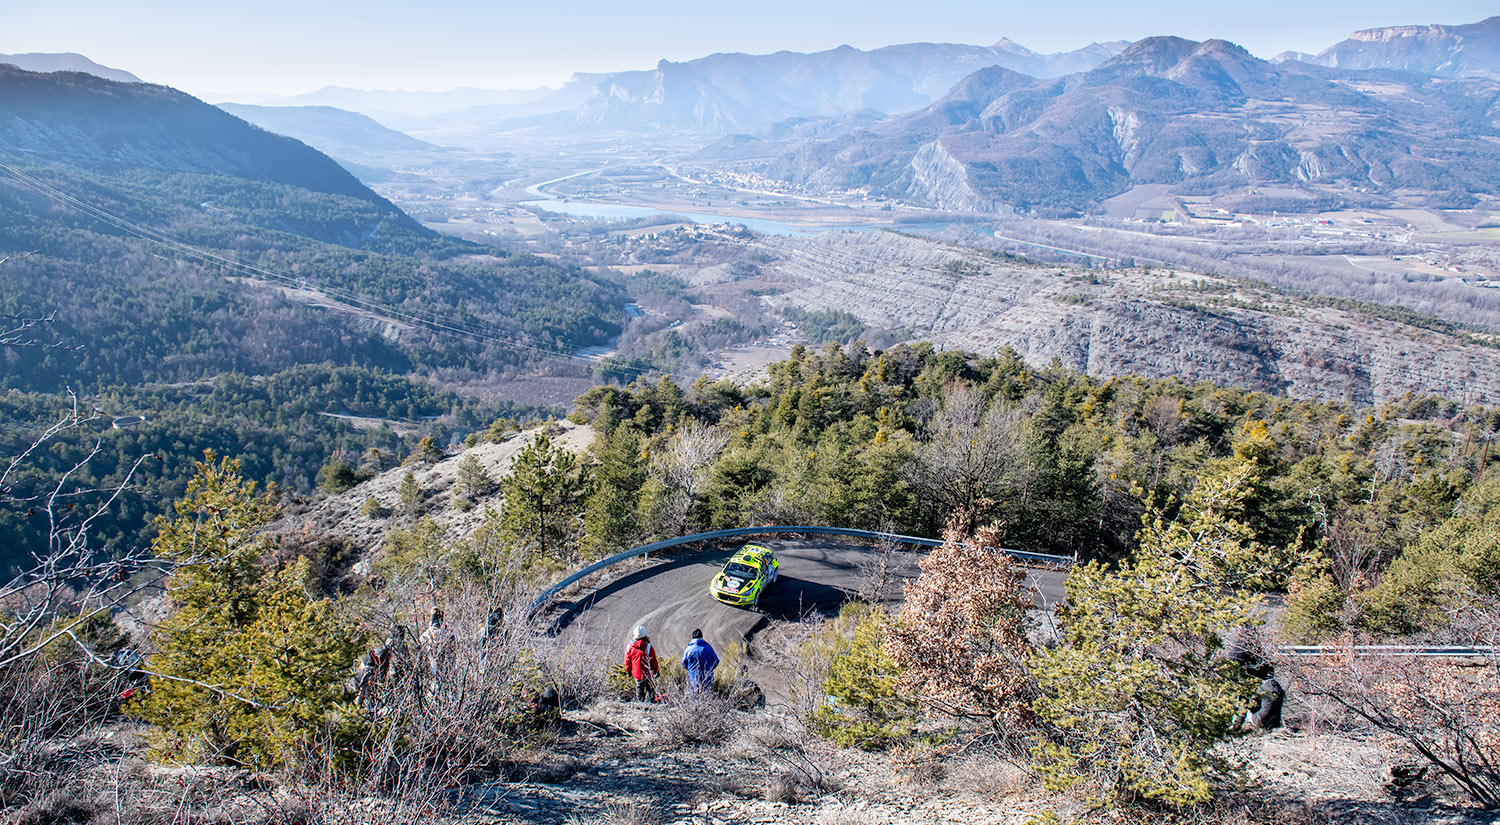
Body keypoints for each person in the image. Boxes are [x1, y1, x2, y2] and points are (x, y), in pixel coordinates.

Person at [624, 624, 660, 702]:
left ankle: (640, 704)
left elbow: (627, 660)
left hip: (637, 673)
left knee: (639, 689)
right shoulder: (648, 646)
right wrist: (656, 670)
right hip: (648, 672)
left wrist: (628, 670)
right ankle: (651, 703)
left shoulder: (630, 646)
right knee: (650, 689)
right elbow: (653, 660)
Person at [681, 629, 720, 694]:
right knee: (707, 697)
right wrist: (710, 669)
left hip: (694, 679)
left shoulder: (689, 649)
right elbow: (716, 661)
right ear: (702, 636)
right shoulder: (707, 647)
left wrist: (691, 670)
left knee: (695, 698)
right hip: (707, 678)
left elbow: (683, 664)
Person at [420, 608, 455, 680]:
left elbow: (422, 639)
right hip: (445, 662)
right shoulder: (446, 632)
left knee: (435, 679)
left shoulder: (429, 633)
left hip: (434, 660)